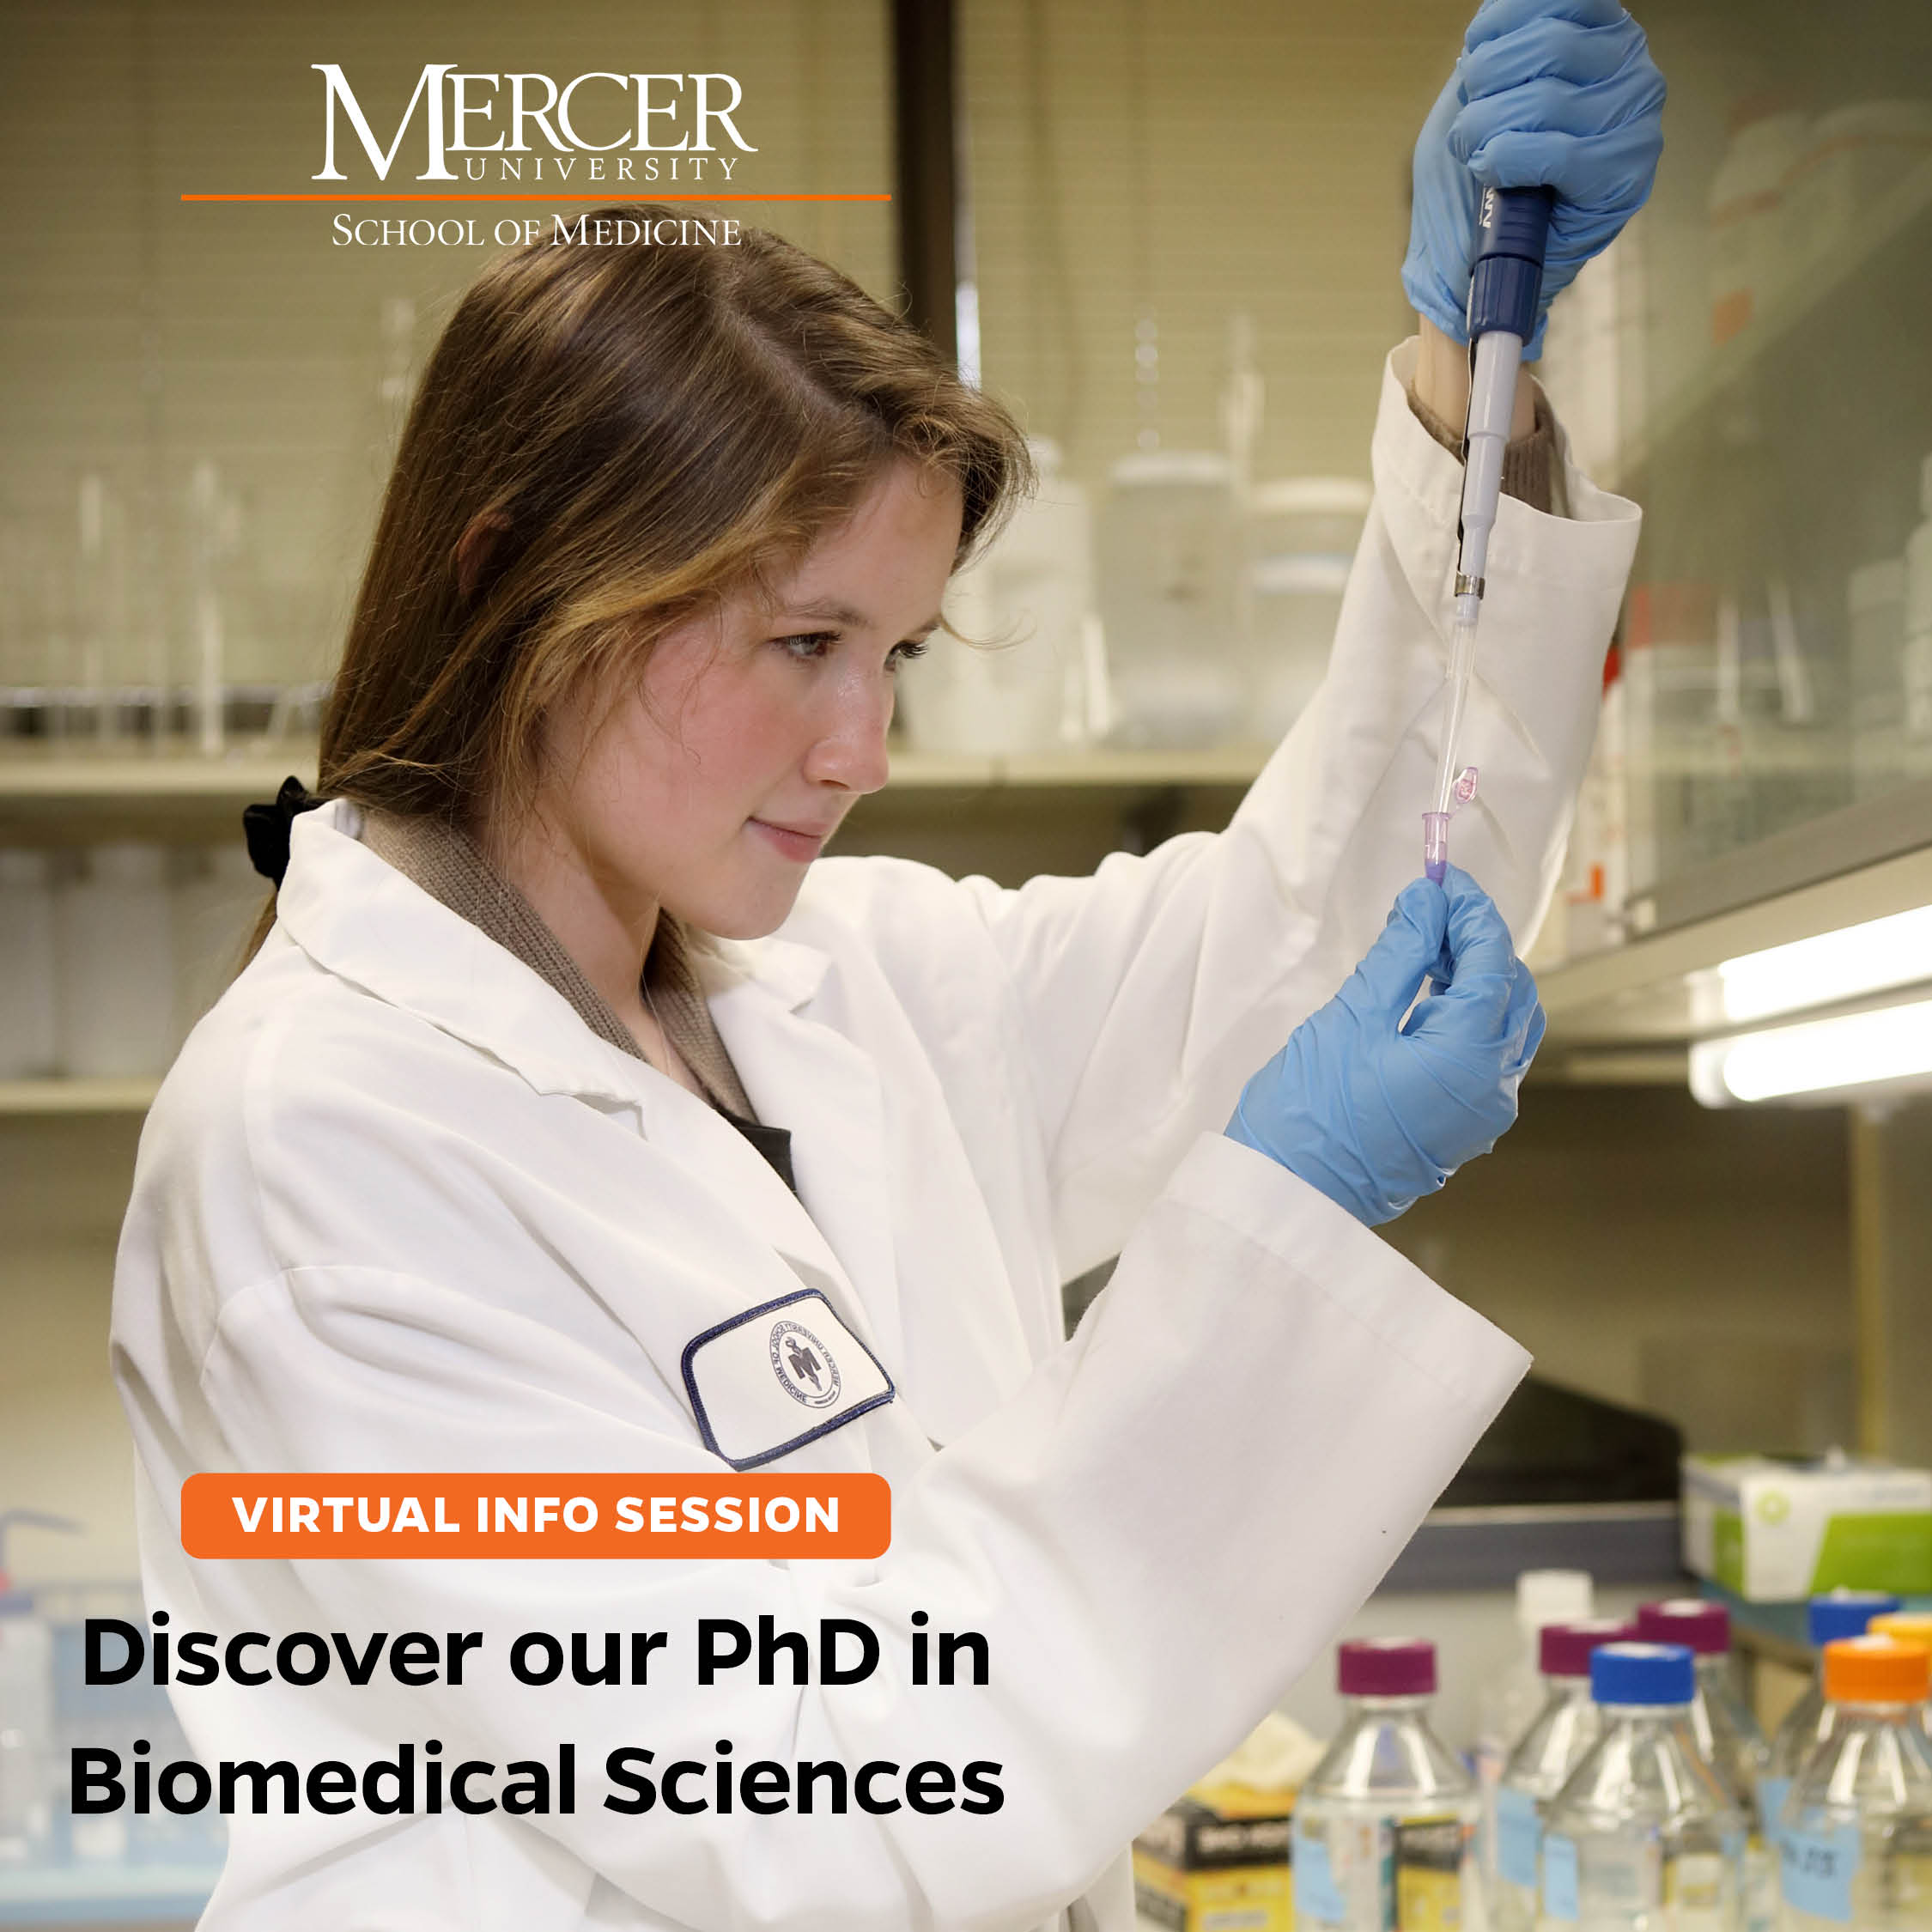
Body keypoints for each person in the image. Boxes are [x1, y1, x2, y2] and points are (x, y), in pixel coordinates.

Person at [109, 6, 1663, 1926]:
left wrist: (1470, 386)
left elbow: (1330, 944)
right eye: (799, 644)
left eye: (898, 657)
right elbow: (830, 1785)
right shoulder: (322, 1152)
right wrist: (1288, 1211)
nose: (866, 748)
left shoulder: (850, 985)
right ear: (514, 580)